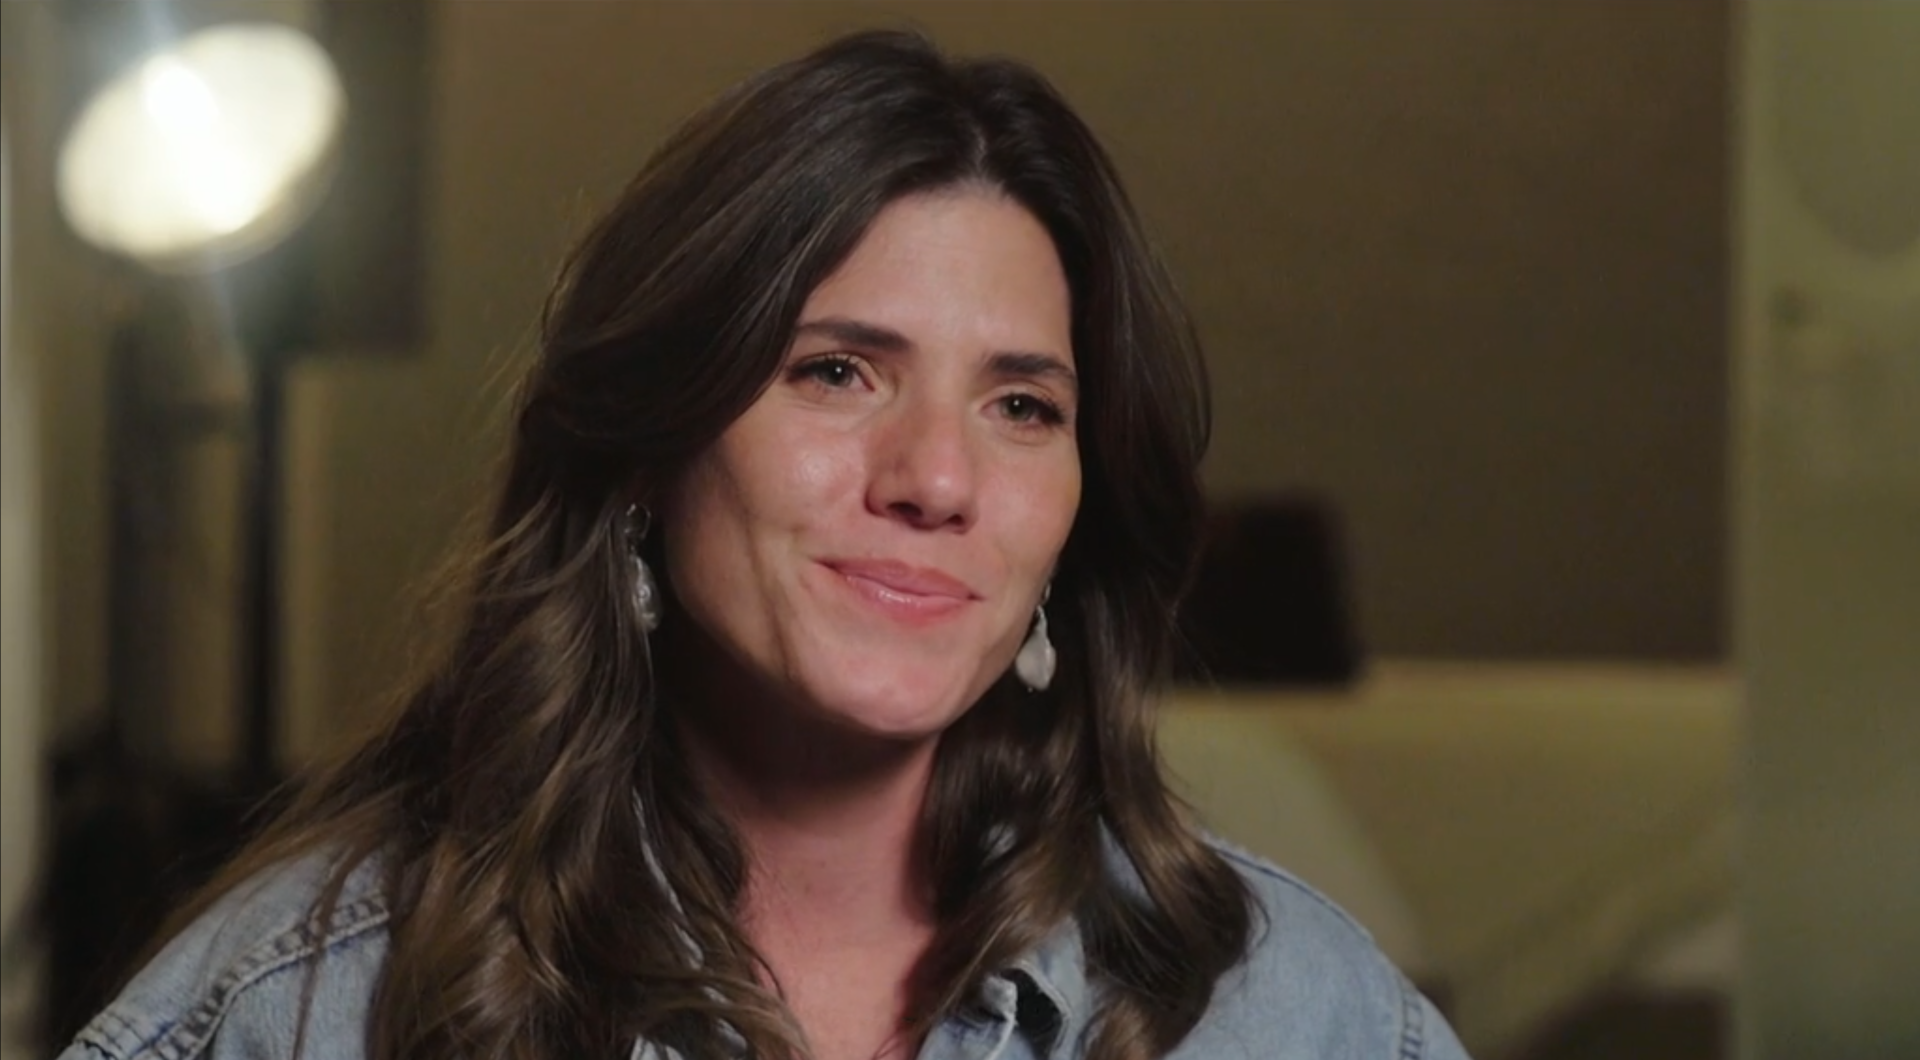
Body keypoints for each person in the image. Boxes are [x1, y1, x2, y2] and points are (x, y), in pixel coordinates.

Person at [59, 29, 1469, 1060]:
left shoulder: (1288, 1010)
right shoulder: (302, 1010)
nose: (937, 479)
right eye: (836, 372)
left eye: (1023, 406)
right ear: (646, 452)